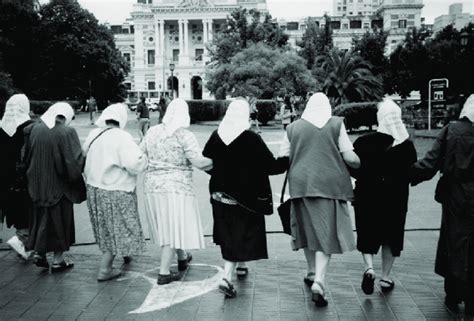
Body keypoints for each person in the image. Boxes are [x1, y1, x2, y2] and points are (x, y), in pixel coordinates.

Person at [278, 93, 360, 307]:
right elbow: (350, 156)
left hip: (301, 184)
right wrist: (361, 164)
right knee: (327, 234)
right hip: (329, 185)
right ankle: (320, 281)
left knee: (307, 230)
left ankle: (311, 270)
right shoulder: (336, 124)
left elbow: (282, 158)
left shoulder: (293, 128)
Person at [203, 99, 288, 298]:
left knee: (229, 233)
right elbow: (271, 167)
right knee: (241, 233)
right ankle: (226, 277)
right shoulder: (251, 139)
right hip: (246, 198)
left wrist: (220, 174)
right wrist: (287, 158)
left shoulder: (216, 135)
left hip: (219, 196)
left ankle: (240, 266)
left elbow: (207, 161)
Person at [411, 94, 474, 315]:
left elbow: (430, 162)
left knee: (453, 240)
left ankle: (454, 293)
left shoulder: (451, 130)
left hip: (455, 196)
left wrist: (407, 174)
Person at [140, 98, 212, 285]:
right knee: (172, 229)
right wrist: (221, 160)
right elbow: (200, 162)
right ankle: (164, 273)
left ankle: (182, 258)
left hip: (152, 187)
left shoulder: (152, 132)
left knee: (170, 225)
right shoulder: (184, 135)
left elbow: (140, 156)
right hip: (176, 188)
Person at [351, 98, 417, 295]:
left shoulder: (363, 142)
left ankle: (369, 268)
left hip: (367, 196)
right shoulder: (406, 146)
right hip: (395, 198)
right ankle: (386, 277)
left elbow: (354, 167)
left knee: (367, 232)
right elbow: (412, 172)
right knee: (391, 236)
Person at [83, 103, 147, 282]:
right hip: (116, 190)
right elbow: (134, 165)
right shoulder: (122, 137)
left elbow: (84, 154)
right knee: (117, 226)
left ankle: (124, 253)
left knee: (105, 228)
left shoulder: (94, 134)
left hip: (95, 188)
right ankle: (105, 268)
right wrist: (145, 158)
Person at [24, 102, 86, 272]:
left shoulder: (35, 129)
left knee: (40, 220)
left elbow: (25, 157)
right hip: (59, 188)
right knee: (60, 223)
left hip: (37, 185)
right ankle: (58, 260)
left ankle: (40, 253)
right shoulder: (67, 132)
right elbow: (74, 162)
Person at [0, 94, 35, 260]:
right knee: (27, 209)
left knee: (15, 209)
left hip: (5, 179)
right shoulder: (30, 127)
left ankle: (22, 241)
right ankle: (21, 239)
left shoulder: (2, 127)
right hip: (24, 177)